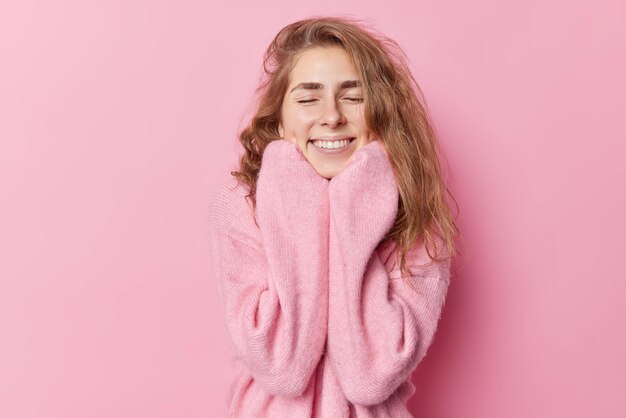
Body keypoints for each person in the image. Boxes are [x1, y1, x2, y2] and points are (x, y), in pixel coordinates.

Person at [207, 15, 460, 418]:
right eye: (308, 99)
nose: (331, 116)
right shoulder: (242, 205)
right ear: (279, 120)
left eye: (353, 97)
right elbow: (282, 369)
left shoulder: (419, 220)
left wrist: (356, 205)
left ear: (381, 111)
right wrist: (300, 195)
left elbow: (369, 377)